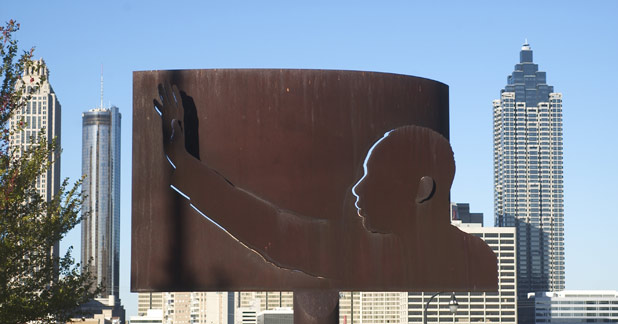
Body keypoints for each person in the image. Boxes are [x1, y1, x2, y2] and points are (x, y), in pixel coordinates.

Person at [154, 82, 496, 288]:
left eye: (373, 178)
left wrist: (183, 162)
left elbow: (276, 232)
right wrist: (184, 165)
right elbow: (276, 231)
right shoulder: (472, 257)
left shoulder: (467, 260)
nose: (357, 189)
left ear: (422, 190)